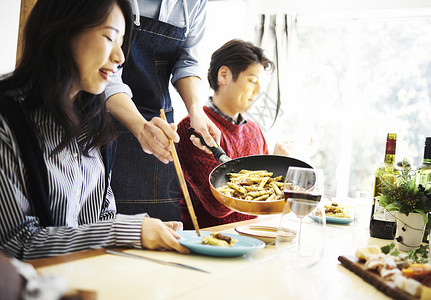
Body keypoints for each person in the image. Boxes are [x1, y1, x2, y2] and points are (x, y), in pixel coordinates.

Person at [0, 0, 188, 261]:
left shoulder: (96, 126)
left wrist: (141, 235)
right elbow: (14, 245)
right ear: (63, 32)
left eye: (122, 43)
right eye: (110, 38)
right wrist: (125, 231)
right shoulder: (7, 119)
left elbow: (103, 219)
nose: (121, 57)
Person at [104, 0, 220, 221]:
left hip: (160, 125)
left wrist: (196, 111)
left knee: (163, 230)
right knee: (108, 227)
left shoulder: (195, 3)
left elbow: (187, 62)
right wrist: (140, 126)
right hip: (105, 120)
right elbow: (109, 72)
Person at [177, 39, 292, 229]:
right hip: (207, 241)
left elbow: (268, 202)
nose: (258, 90)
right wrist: (268, 181)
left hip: (252, 236)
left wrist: (280, 170)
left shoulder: (254, 131)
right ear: (223, 75)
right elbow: (219, 204)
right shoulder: (194, 128)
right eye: (252, 80)